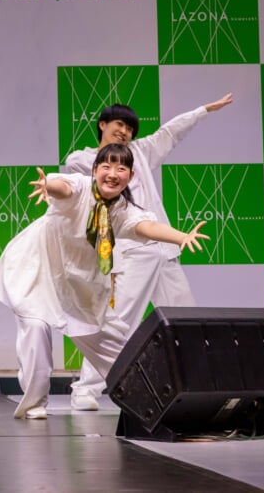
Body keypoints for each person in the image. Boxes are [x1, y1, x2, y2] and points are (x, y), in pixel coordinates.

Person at [0, 143, 209, 419]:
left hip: (79, 282)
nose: (113, 173)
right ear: (94, 170)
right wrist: (48, 185)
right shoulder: (80, 187)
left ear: (131, 176)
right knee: (35, 328)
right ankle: (34, 403)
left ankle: (154, 401)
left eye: (121, 168)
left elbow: (146, 226)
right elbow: (63, 188)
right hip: (38, 269)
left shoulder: (123, 210)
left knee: (111, 345)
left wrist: (181, 236)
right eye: (106, 166)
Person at [64, 94, 233, 410]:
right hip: (129, 251)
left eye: (130, 128)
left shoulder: (140, 152)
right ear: (102, 124)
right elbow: (84, 183)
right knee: (119, 323)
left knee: (185, 318)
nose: (124, 132)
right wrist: (109, 161)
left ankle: (202, 385)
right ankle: (85, 389)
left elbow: (170, 132)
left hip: (163, 250)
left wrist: (202, 110)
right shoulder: (82, 159)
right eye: (119, 124)